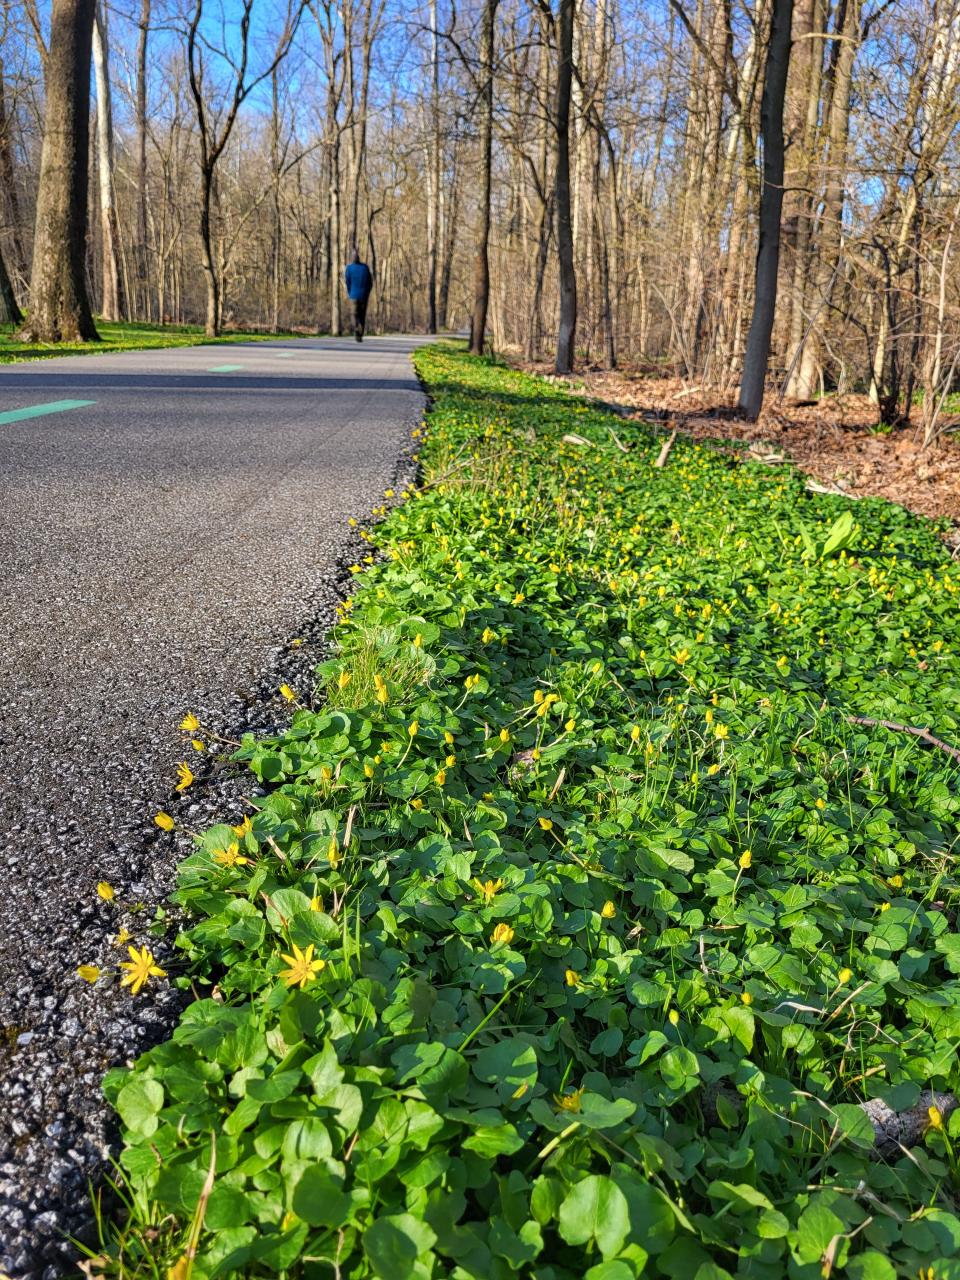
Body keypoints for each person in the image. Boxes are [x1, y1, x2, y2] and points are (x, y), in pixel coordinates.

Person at [344, 249, 373, 342]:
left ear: (352, 258)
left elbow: (347, 282)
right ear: (359, 258)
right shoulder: (365, 267)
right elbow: (370, 282)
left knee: (353, 315)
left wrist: (349, 292)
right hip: (364, 296)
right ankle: (360, 334)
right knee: (362, 315)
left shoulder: (349, 268)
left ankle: (356, 329)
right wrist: (367, 292)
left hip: (353, 295)